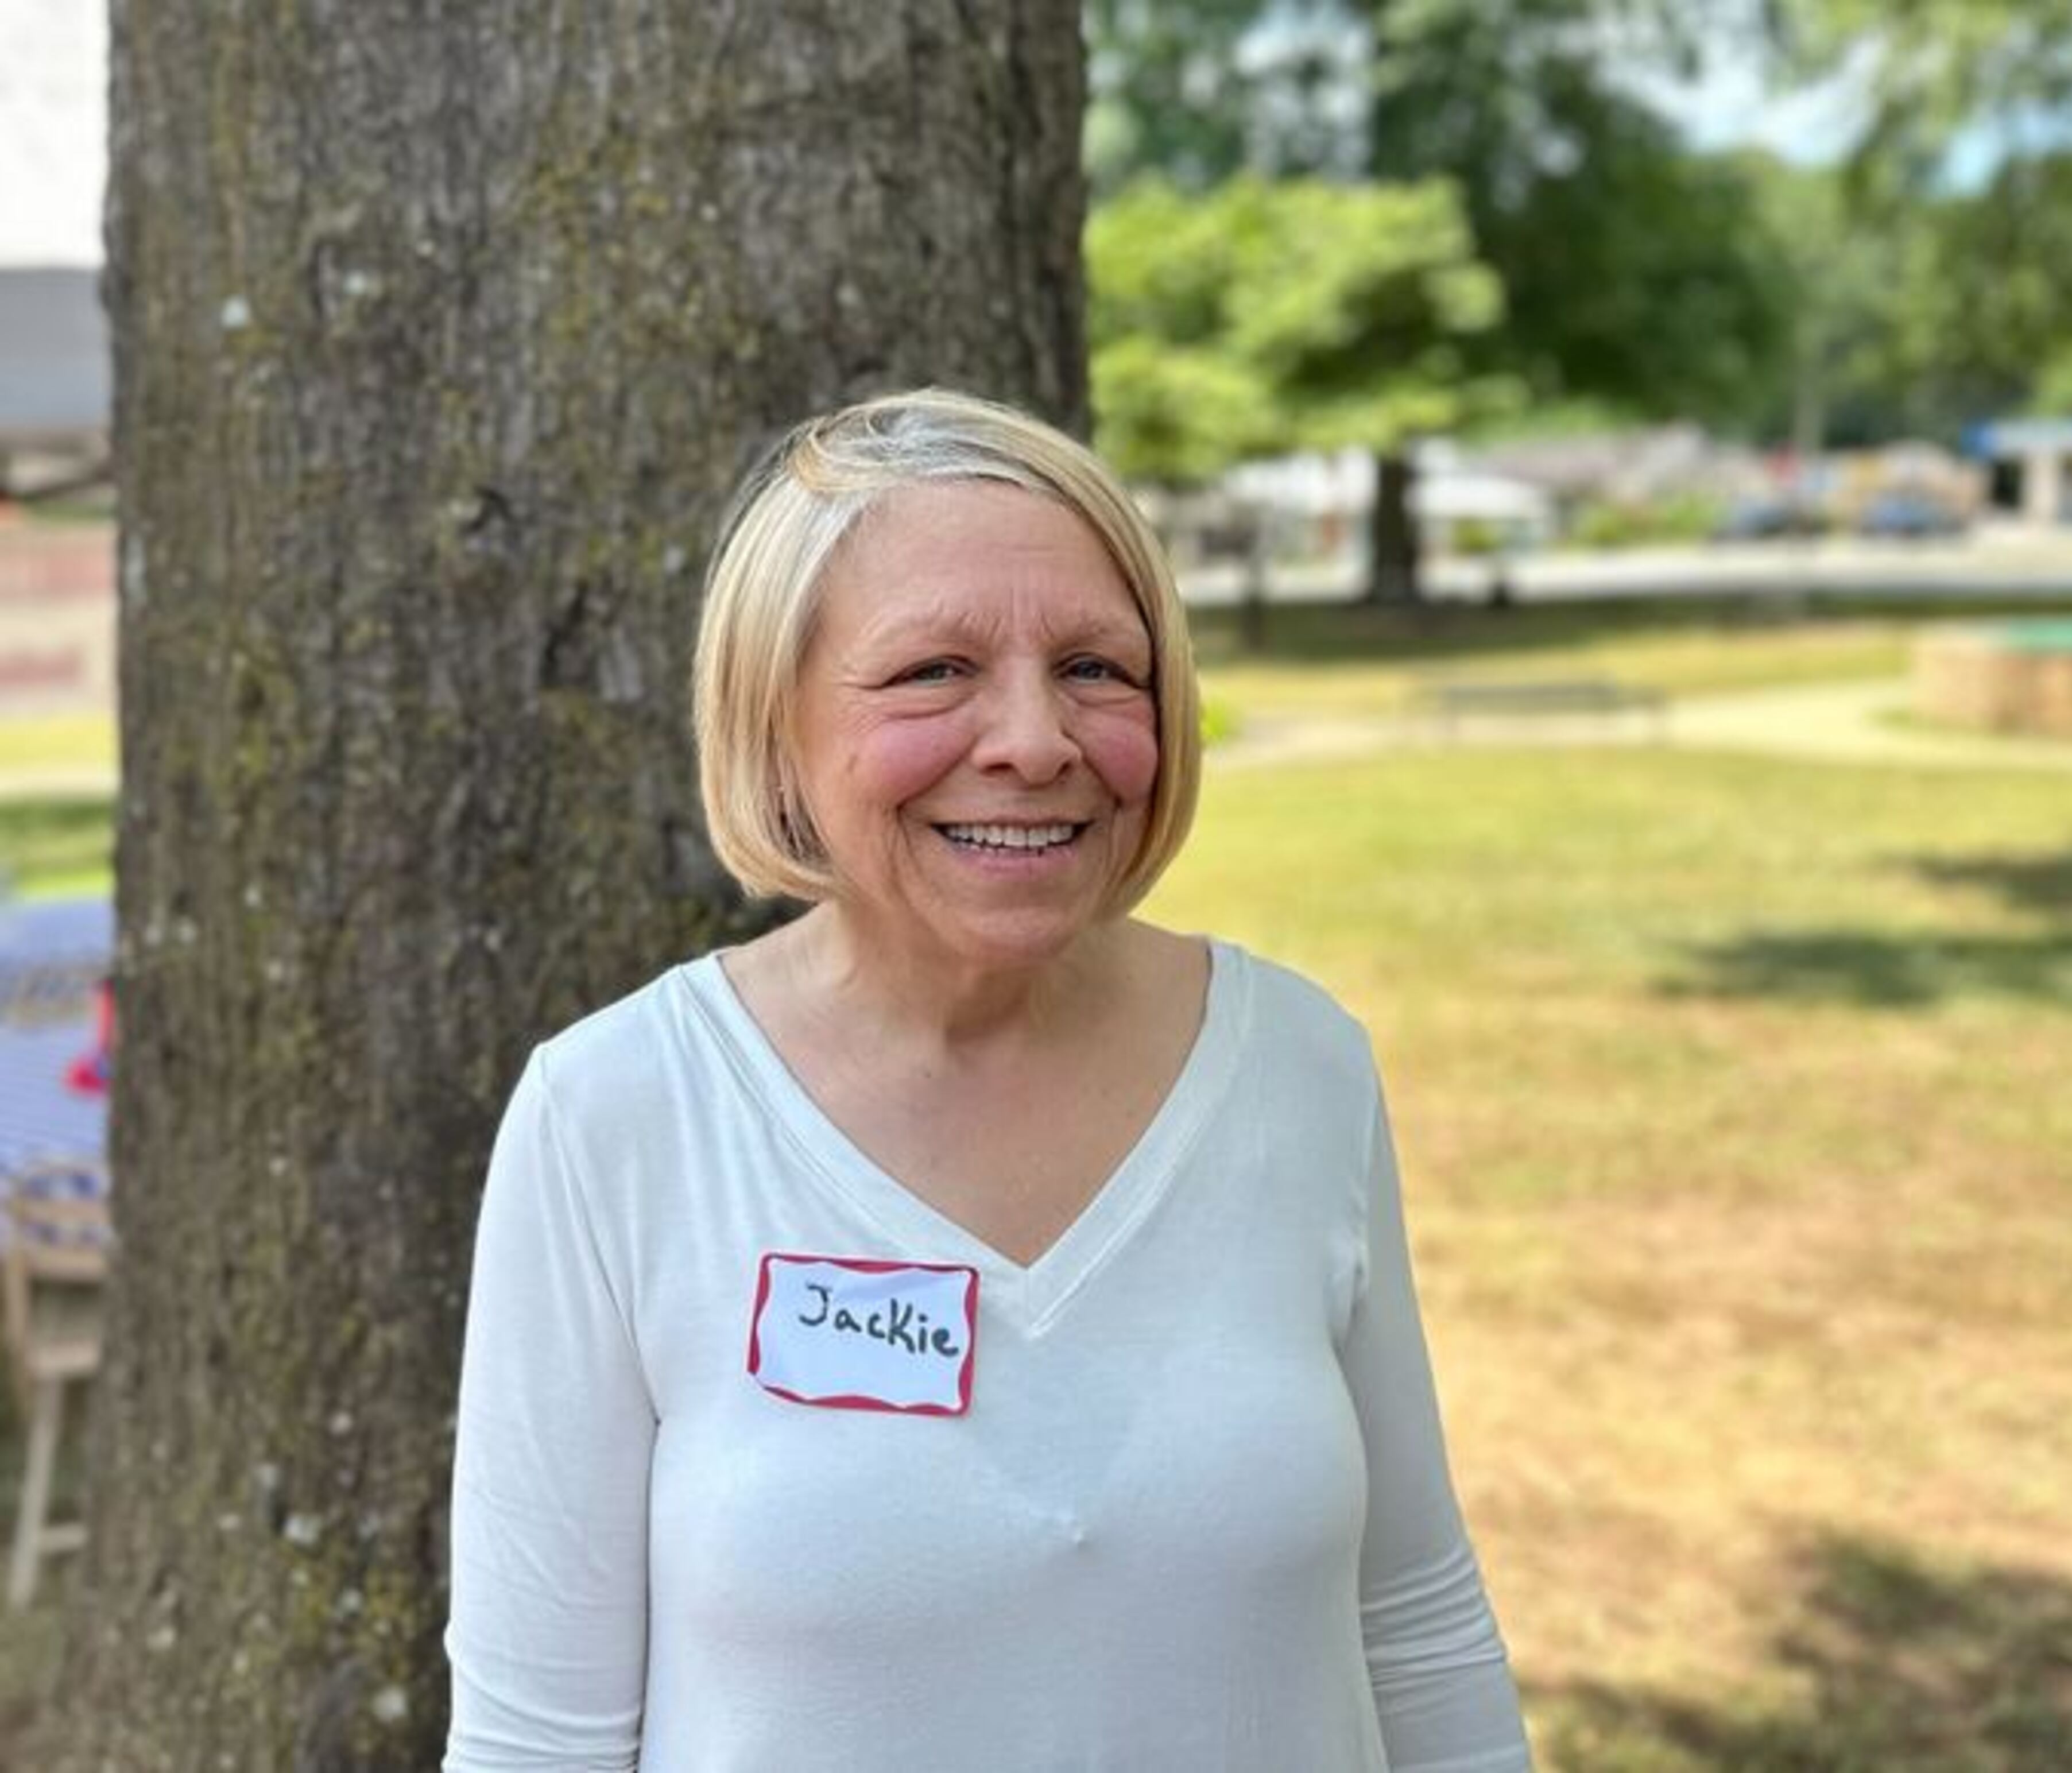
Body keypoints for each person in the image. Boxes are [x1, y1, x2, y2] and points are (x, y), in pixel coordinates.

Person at [443, 389, 1533, 1771]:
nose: (1035, 739)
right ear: (775, 720)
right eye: (932, 672)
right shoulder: (617, 1115)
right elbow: (537, 1740)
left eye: (1095, 668)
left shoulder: (1301, 1068)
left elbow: (1417, 1623)